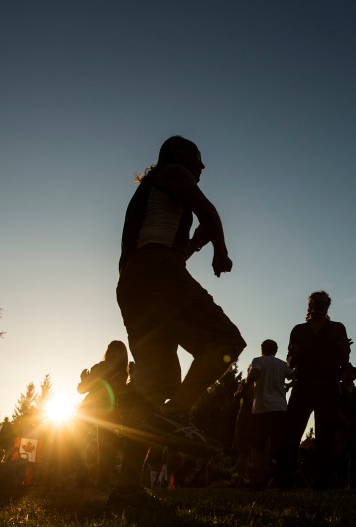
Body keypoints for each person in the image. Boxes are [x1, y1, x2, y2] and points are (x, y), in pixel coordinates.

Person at [113, 136, 247, 502]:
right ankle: (180, 414)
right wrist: (220, 251)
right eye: (198, 160)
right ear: (180, 157)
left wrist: (191, 248)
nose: (202, 168)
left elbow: (194, 224)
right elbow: (208, 211)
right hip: (158, 272)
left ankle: (126, 486)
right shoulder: (172, 173)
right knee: (226, 341)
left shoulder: (157, 194)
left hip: (134, 283)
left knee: (157, 384)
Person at [277, 291, 352, 489]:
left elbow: (345, 360)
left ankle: (321, 484)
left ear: (328, 306)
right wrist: (293, 355)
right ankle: (285, 481)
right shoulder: (299, 330)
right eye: (316, 303)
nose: (319, 306)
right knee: (291, 433)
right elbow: (291, 362)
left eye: (323, 303)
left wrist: (345, 350)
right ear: (310, 305)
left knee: (325, 436)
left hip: (328, 385)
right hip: (303, 385)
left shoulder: (337, 328)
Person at [76, 340, 130, 488]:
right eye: (111, 348)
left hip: (109, 412)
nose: (113, 352)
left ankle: (103, 481)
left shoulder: (123, 372)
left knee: (107, 449)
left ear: (123, 354)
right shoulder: (99, 367)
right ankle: (67, 476)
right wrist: (83, 380)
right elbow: (82, 390)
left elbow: (120, 393)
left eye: (118, 350)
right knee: (74, 442)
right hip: (89, 409)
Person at [247, 339, 294, 487]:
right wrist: (287, 386)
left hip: (261, 408)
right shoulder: (282, 364)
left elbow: (255, 373)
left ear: (262, 349)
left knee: (258, 445)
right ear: (276, 350)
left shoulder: (258, 360)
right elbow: (293, 375)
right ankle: (277, 475)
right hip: (280, 408)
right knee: (276, 444)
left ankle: (259, 478)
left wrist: (247, 383)